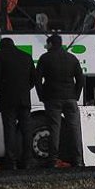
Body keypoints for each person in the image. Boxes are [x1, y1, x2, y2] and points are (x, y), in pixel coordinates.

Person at [36, 34, 84, 167]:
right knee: (74, 129)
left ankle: (52, 160)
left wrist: (42, 96)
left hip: (52, 98)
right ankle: (78, 160)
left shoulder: (45, 58)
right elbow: (81, 79)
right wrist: (75, 95)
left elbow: (37, 79)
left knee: (54, 129)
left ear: (51, 44)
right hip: (70, 98)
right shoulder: (72, 58)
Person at [0, 37, 37, 170]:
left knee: (9, 130)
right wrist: (24, 90)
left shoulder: (0, 55)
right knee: (26, 131)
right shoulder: (26, 56)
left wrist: (1, 91)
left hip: (8, 100)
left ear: (2, 46)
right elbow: (33, 79)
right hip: (24, 100)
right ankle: (27, 160)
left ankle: (11, 162)